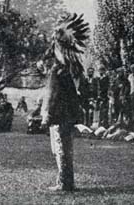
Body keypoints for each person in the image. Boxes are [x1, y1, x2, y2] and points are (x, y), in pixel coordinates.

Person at [40, 13, 89, 192]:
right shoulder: (69, 70)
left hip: (59, 116)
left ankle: (64, 183)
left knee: (60, 149)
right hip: (68, 116)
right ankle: (67, 182)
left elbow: (53, 96)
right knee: (65, 149)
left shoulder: (58, 71)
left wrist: (47, 116)